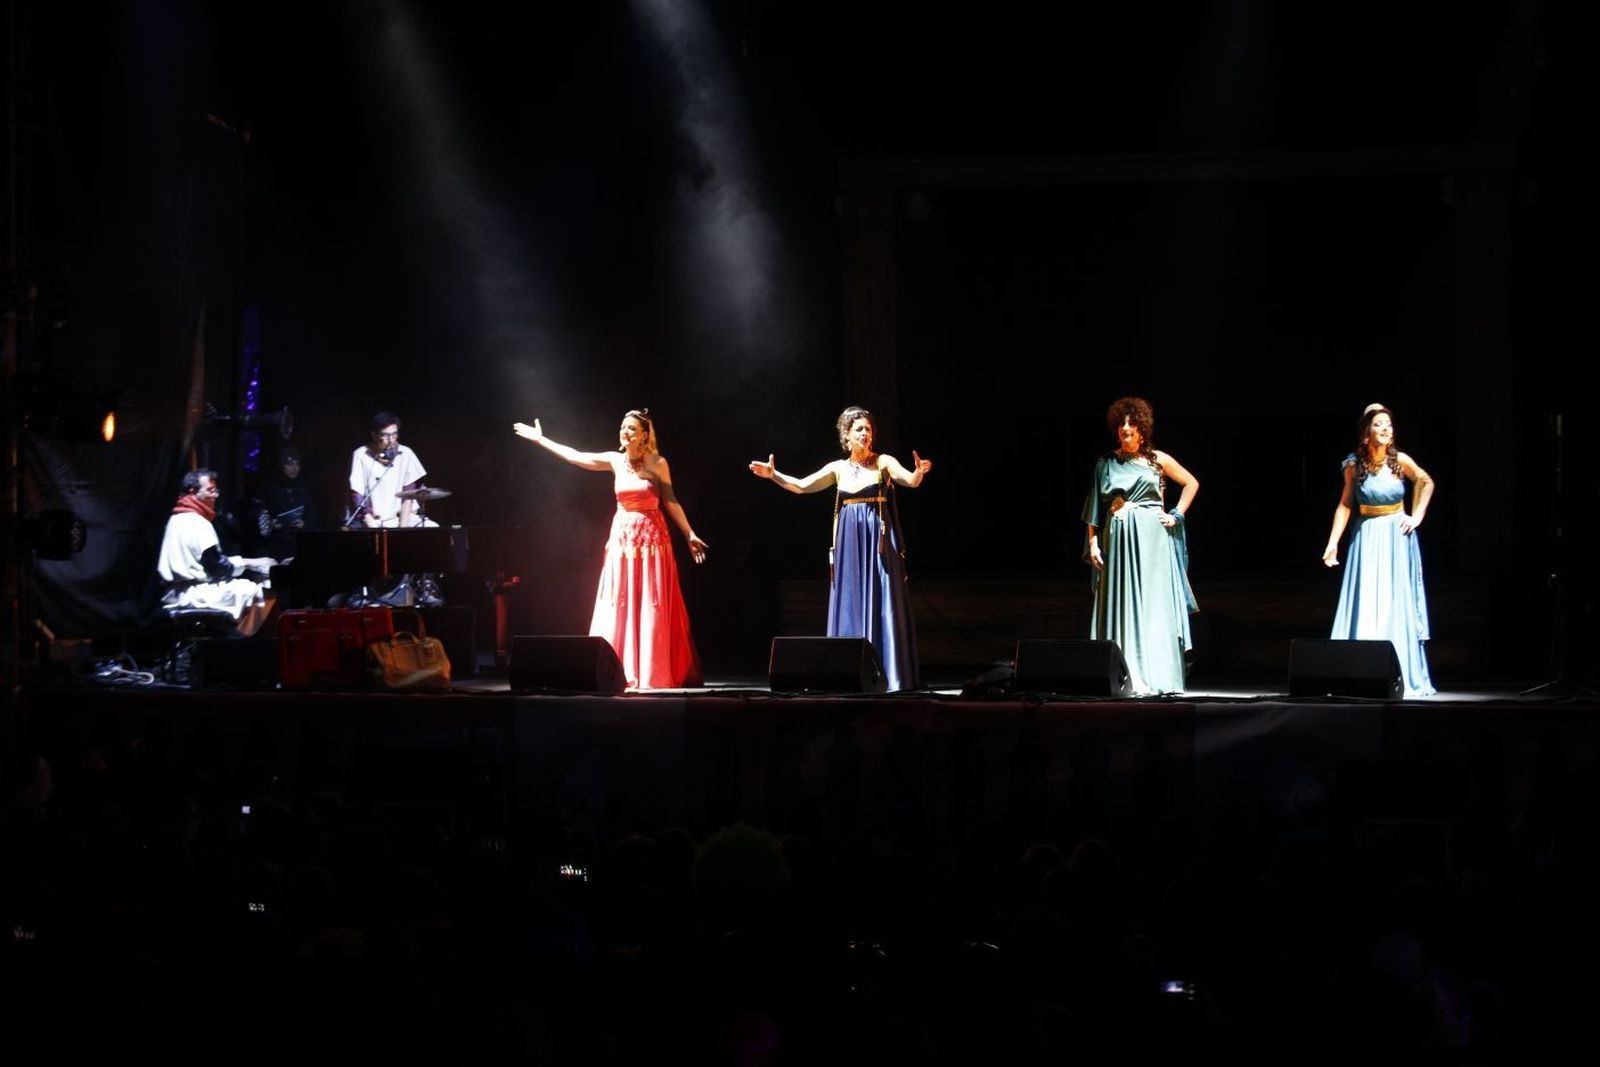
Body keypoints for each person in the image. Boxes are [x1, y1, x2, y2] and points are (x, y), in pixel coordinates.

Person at [513, 409, 706, 690]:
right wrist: (543, 441)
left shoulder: (658, 463)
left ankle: (653, 670)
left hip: (652, 542)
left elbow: (671, 500)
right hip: (623, 541)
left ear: (644, 435)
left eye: (630, 428)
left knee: (650, 601)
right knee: (621, 601)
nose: (624, 432)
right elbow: (577, 456)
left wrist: (689, 533)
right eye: (622, 427)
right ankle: (616, 670)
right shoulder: (615, 460)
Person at [748, 405, 932, 692]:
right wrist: (774, 475)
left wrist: (918, 473)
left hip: (877, 544)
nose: (865, 434)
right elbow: (801, 486)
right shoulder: (838, 469)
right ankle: (848, 672)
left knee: (881, 600)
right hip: (850, 546)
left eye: (868, 429)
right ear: (846, 436)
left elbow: (908, 479)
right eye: (859, 429)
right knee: (852, 599)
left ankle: (888, 675)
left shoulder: (882, 462)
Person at [1082, 397, 1199, 695]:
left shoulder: (1157, 459)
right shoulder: (1106, 463)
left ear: (1142, 429)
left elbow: (1191, 483)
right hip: (1118, 541)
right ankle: (1118, 676)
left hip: (1152, 542)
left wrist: (1176, 514)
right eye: (1121, 425)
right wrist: (1093, 543)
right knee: (1118, 602)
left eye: (1131, 425)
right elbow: (1094, 508)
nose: (1125, 429)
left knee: (1153, 607)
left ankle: (1157, 675)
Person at [1321, 402, 1437, 697]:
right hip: (1368, 535)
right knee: (1368, 600)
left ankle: (1397, 673)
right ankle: (1358, 673)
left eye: (1388, 424)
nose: (1385, 428)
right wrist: (1333, 543)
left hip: (1397, 537)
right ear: (1366, 433)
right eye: (1378, 424)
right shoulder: (1354, 465)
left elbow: (1425, 480)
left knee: (1394, 602)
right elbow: (1346, 504)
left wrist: (1417, 516)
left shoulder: (1400, 462)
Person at [157, 469, 277, 637]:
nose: (215, 496)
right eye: (210, 490)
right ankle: (243, 642)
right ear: (193, 492)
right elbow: (218, 568)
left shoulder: (175, 519)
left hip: (173, 592)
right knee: (262, 590)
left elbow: (210, 561)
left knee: (245, 587)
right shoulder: (197, 523)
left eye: (216, 491)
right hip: (194, 592)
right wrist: (254, 563)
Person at [346, 411, 442, 606]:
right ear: (374, 435)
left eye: (394, 434)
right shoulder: (360, 455)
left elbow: (409, 493)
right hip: (373, 519)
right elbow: (357, 496)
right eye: (385, 435)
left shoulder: (406, 453)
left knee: (432, 529)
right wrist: (372, 524)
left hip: (400, 518)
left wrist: (402, 530)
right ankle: (360, 591)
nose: (391, 440)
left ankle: (425, 586)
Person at [257, 446, 321, 561]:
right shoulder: (269, 489)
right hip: (275, 543)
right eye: (290, 464)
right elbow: (260, 515)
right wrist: (273, 523)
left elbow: (313, 517)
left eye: (297, 464)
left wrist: (303, 524)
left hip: (298, 542)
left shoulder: (303, 489)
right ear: (281, 466)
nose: (294, 468)